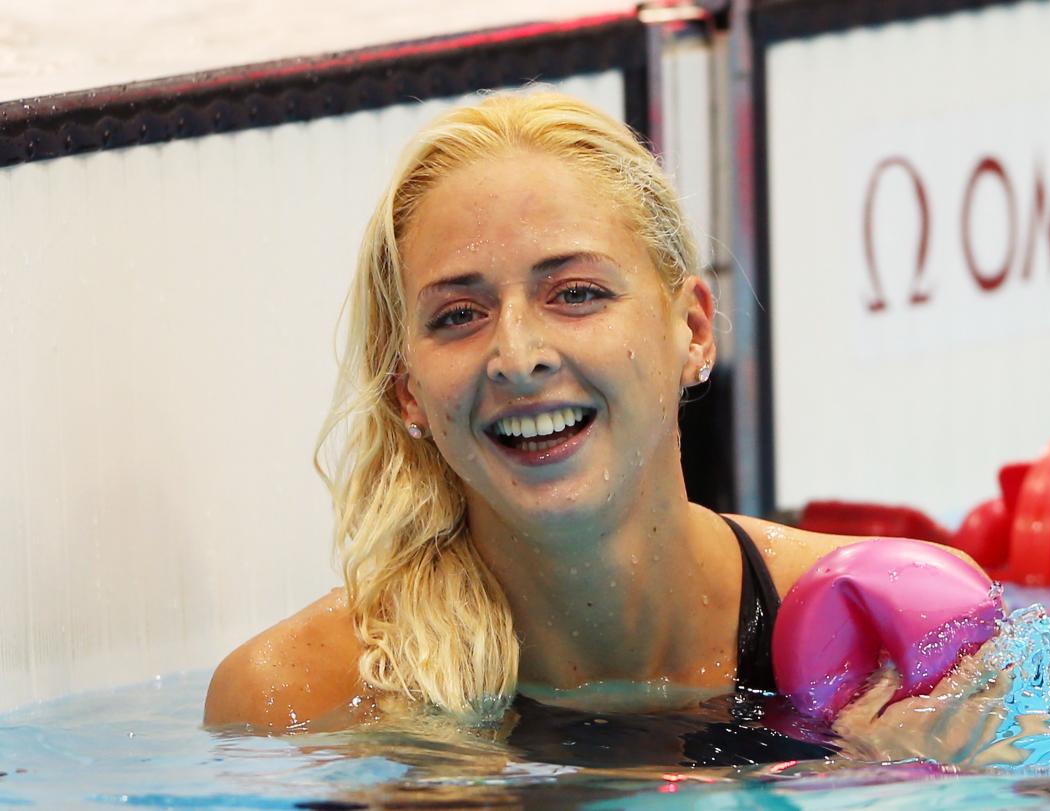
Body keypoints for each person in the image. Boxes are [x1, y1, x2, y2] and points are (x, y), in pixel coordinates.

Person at [203, 92, 991, 748]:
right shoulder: (303, 700)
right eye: (460, 314)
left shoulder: (892, 635)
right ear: (407, 389)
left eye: (575, 293)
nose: (517, 354)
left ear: (692, 330)